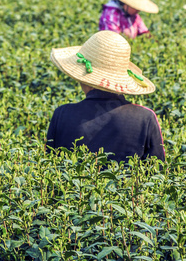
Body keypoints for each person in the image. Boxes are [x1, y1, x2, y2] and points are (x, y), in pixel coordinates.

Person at [46, 30, 164, 162]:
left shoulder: (62, 114)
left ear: (82, 78)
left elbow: (49, 166)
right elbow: (157, 172)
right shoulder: (145, 118)